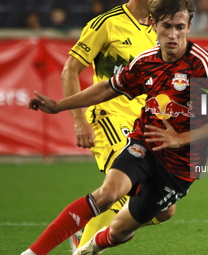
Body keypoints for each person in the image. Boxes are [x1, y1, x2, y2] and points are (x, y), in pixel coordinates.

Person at [22, 0, 208, 254]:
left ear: (190, 26)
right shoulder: (145, 60)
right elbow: (107, 88)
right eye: (166, 26)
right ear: (153, 24)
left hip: (180, 164)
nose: (173, 34)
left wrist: (181, 138)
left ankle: (94, 241)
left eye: (179, 27)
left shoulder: (205, 66)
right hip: (143, 141)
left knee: (128, 226)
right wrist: (60, 106)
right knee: (107, 194)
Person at [60, 0, 175, 252]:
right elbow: (70, 70)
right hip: (110, 117)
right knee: (125, 188)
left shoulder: (161, 28)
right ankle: (85, 247)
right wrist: (79, 120)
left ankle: (97, 226)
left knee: (165, 208)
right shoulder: (107, 24)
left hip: (143, 126)